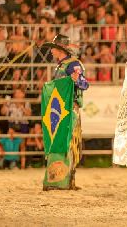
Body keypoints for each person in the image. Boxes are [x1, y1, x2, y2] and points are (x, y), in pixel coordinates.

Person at [41, 34, 89, 190]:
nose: (51, 52)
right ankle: (63, 179)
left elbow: (84, 84)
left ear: (59, 49)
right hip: (61, 110)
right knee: (63, 142)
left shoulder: (73, 64)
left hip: (69, 109)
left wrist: (76, 79)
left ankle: (65, 179)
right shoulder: (62, 65)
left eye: (52, 49)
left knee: (68, 143)